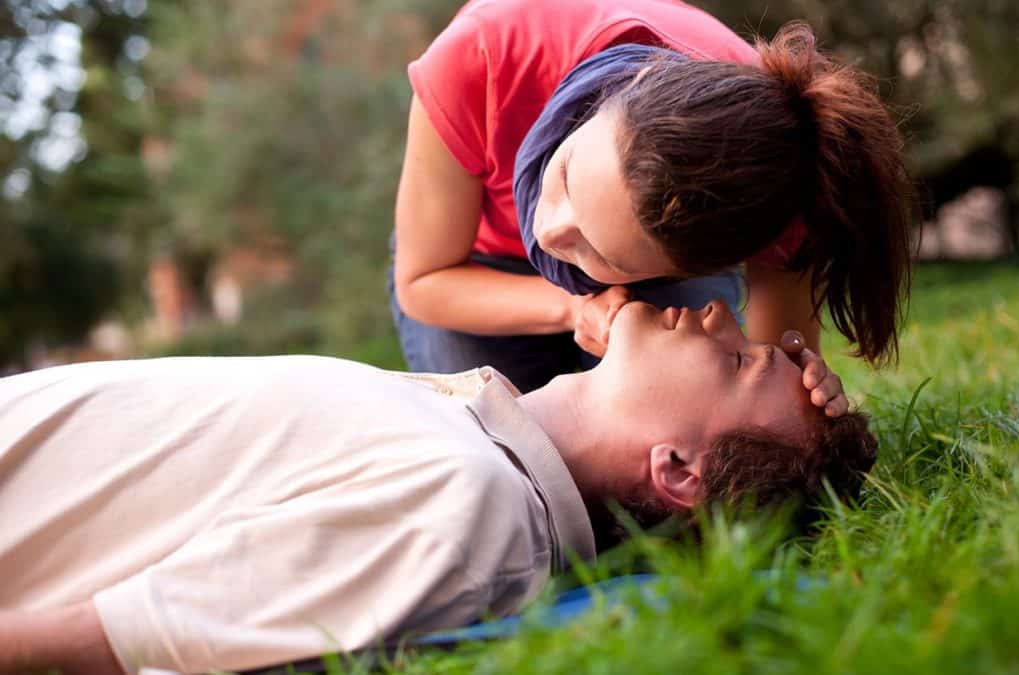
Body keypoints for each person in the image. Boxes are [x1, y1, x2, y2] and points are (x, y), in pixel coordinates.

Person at [0, 300, 877, 675]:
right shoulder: (472, 443)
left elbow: (113, 640)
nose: (720, 314)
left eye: (731, 360)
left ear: (677, 471)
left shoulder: (466, 501)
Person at [390, 0, 915, 406]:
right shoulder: (481, 55)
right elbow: (424, 280)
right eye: (569, 174)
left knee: (694, 420)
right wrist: (573, 303)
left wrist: (795, 386)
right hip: (469, 267)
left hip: (655, 276)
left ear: (699, 265)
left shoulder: (783, 181)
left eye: (604, 254)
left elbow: (781, 358)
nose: (548, 232)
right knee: (496, 446)